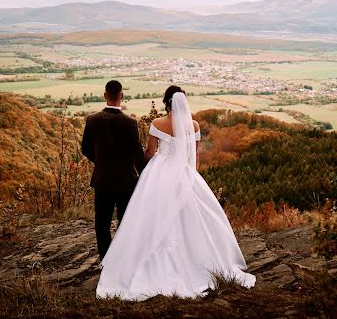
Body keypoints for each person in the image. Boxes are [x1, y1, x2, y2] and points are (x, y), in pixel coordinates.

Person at [96, 85, 256, 300]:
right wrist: (191, 176)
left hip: (160, 172)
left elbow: (150, 153)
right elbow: (194, 155)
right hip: (185, 173)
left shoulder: (157, 124)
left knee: (152, 214)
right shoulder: (194, 124)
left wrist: (143, 168)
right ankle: (195, 260)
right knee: (192, 217)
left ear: (165, 102)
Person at [81, 79, 145, 260]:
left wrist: (101, 162)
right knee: (125, 223)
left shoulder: (92, 120)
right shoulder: (130, 123)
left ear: (104, 96)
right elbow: (137, 154)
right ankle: (123, 260)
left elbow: (85, 149)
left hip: (103, 179)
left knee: (102, 223)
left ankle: (105, 260)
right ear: (122, 96)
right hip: (126, 181)